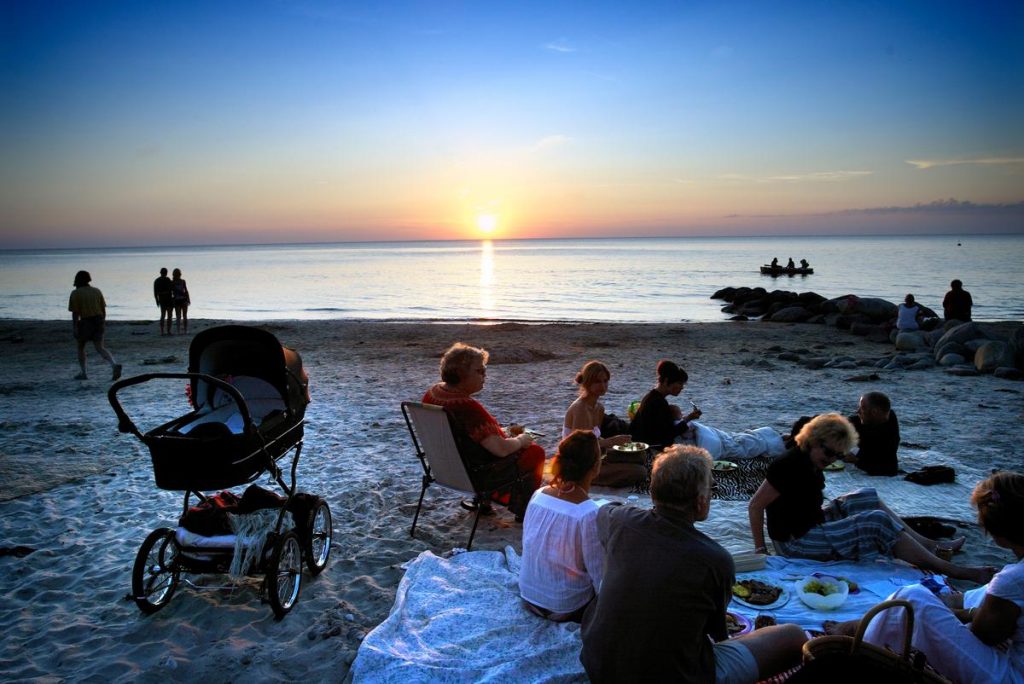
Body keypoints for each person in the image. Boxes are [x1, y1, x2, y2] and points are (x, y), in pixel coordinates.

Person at [580, 445, 807, 683]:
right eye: (711, 489)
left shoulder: (617, 519)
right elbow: (718, 634)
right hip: (673, 676)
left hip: (597, 662)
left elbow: (607, 508)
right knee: (793, 636)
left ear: (652, 489)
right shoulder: (715, 559)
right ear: (700, 502)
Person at [747, 413, 993, 583]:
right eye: (828, 451)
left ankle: (929, 545)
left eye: (837, 455)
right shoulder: (788, 465)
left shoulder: (808, 460)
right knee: (876, 522)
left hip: (811, 522)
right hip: (795, 543)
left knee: (866, 496)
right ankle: (954, 570)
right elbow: (755, 506)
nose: (831, 458)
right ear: (811, 440)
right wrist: (760, 549)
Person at [844, 471, 1024, 684]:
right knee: (940, 601)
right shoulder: (1013, 577)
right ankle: (866, 626)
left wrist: (969, 614)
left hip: (1009, 676)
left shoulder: (1012, 579)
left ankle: (860, 652)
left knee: (911, 599)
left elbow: (983, 635)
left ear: (996, 531)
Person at [422, 342, 545, 520]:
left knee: (505, 440)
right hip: (476, 475)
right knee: (535, 451)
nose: (485, 375)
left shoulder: (433, 393)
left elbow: (464, 437)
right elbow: (500, 449)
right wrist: (521, 440)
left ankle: (484, 503)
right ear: (461, 374)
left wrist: (499, 432)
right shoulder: (467, 407)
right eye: (479, 371)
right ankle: (523, 510)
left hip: (443, 469)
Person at [520, 430, 605, 623]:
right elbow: (599, 574)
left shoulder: (538, 495)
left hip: (528, 594)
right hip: (564, 606)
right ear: (595, 466)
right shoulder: (588, 514)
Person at [564, 361, 645, 487]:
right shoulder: (580, 408)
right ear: (587, 383)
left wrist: (619, 443)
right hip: (578, 464)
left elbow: (595, 438)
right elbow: (580, 447)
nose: (603, 385)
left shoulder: (598, 408)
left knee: (640, 455)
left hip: (595, 456)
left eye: (605, 381)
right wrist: (612, 442)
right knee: (639, 472)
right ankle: (589, 479)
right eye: (597, 381)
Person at [629, 360, 701, 448]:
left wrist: (686, 419)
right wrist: (688, 419)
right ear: (666, 381)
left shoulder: (651, 397)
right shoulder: (658, 402)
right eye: (679, 383)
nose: (682, 387)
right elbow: (668, 434)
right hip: (651, 449)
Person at [68, 270, 121, 381]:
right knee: (100, 347)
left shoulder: (76, 293)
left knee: (81, 346)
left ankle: (84, 372)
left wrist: (75, 327)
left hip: (86, 320)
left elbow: (75, 313)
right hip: (98, 319)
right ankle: (113, 364)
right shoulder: (97, 291)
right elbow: (103, 309)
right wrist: (103, 322)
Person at [847, 392, 899, 476]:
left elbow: (890, 469)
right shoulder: (879, 416)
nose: (858, 411)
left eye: (862, 408)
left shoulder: (887, 435)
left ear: (874, 412)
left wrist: (856, 460)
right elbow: (851, 421)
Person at [153, 268, 173, 335]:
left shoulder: (157, 281)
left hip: (162, 299)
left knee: (163, 315)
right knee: (169, 316)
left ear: (160, 272)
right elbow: (171, 290)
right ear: (166, 273)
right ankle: (168, 331)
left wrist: (157, 300)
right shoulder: (168, 280)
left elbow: (155, 293)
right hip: (168, 299)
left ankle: (162, 331)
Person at [171, 268, 190, 334]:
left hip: (177, 300)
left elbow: (172, 292)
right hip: (183, 299)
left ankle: (178, 330)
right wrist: (188, 299)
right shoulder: (182, 281)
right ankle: (185, 330)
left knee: (178, 316)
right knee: (184, 316)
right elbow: (186, 291)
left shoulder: (172, 282)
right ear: (180, 274)